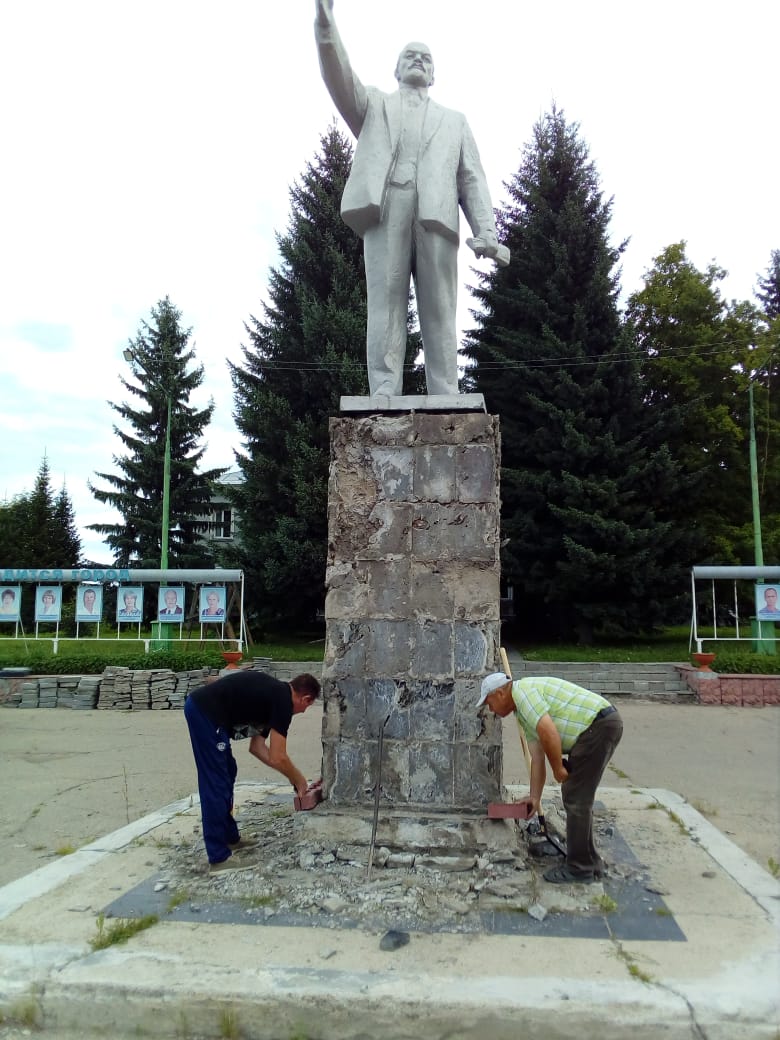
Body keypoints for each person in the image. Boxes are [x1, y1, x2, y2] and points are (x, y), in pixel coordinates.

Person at [314, 0, 508, 398]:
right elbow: (340, 80)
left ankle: (445, 391)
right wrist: (326, 24)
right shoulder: (374, 106)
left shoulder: (455, 121)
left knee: (440, 312)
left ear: (434, 74)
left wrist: (486, 230)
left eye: (425, 58)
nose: (417, 61)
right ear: (397, 69)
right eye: (409, 56)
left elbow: (472, 178)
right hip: (387, 213)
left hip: (437, 218)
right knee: (384, 306)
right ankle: (384, 389)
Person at [476, 672, 623, 884]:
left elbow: (549, 733)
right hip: (599, 726)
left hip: (597, 727)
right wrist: (535, 798)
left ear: (499, 693)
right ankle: (589, 862)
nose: (491, 710)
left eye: (490, 703)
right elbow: (537, 759)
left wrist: (558, 769)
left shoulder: (523, 694)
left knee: (575, 797)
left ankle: (579, 868)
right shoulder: (522, 713)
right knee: (578, 797)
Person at [184, 671, 321, 874]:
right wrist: (299, 780)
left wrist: (292, 777)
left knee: (228, 770)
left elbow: (258, 748)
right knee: (215, 782)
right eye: (306, 707)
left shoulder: (274, 698)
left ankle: (230, 838)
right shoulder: (282, 702)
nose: (302, 712)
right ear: (305, 698)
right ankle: (218, 858)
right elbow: (278, 756)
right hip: (205, 713)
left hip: (208, 714)